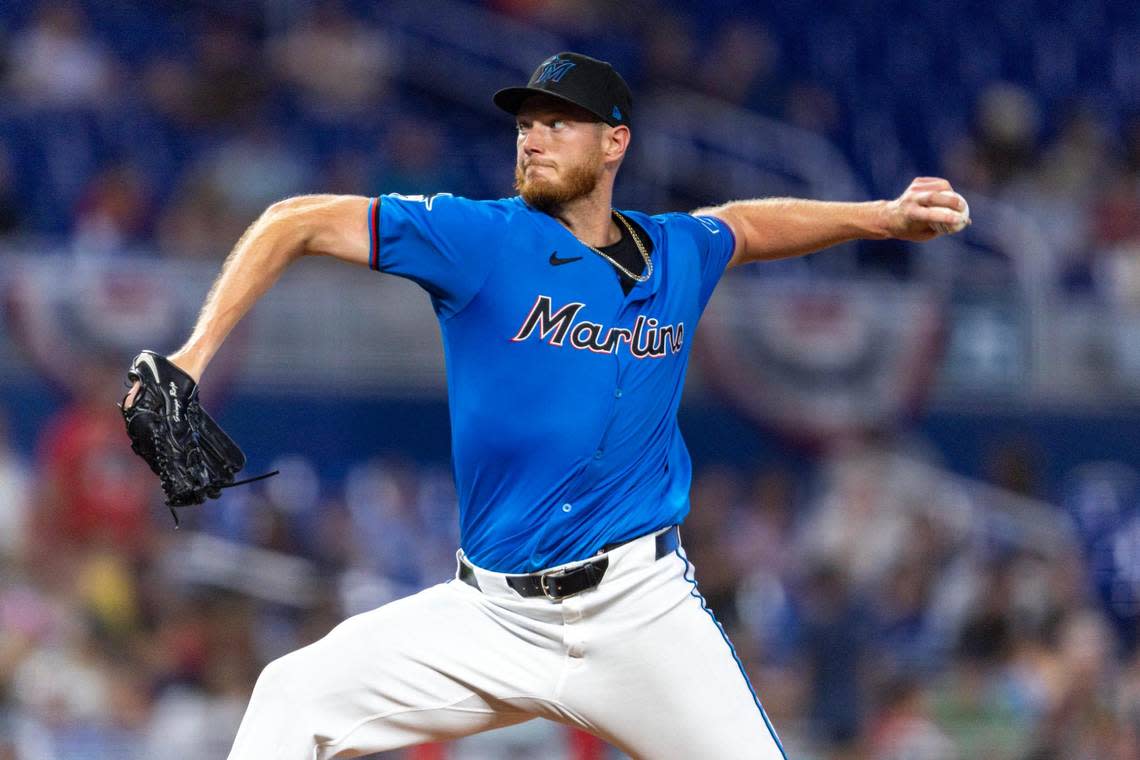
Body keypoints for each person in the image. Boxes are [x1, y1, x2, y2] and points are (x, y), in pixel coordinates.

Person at [125, 52, 970, 759]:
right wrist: (193, 355)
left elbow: (744, 226)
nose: (531, 137)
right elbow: (293, 221)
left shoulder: (677, 252)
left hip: (642, 614)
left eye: (556, 121)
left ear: (615, 143)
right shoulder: (480, 237)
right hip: (491, 613)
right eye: (525, 122)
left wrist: (884, 218)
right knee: (291, 695)